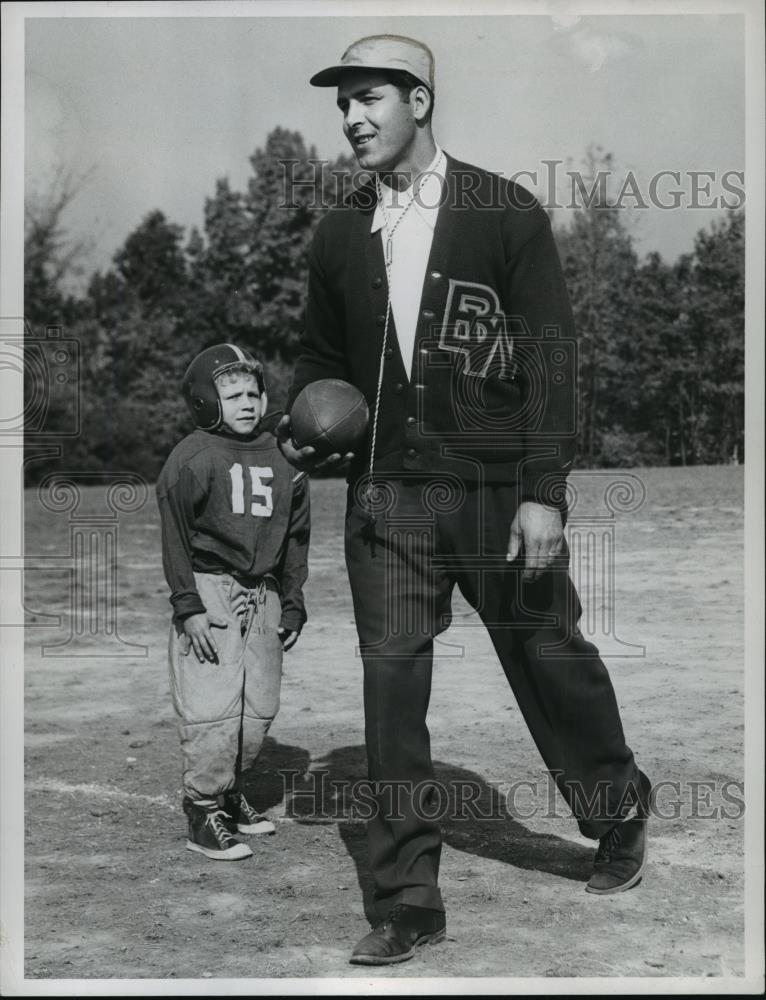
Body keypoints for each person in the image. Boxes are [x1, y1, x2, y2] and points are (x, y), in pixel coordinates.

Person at [278, 34, 651, 964]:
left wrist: (543, 491)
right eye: (342, 104)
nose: (352, 119)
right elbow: (323, 359)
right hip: (387, 501)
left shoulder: (502, 211)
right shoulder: (336, 233)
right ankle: (408, 899)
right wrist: (307, 415)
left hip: (494, 491)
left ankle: (616, 805)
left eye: (369, 99)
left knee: (548, 655)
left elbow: (549, 358)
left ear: (420, 100)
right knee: (391, 692)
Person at [157, 343, 310, 861]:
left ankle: (228, 790)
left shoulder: (283, 458)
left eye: (253, 392)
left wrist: (293, 600)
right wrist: (188, 605)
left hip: (264, 591)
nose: (247, 403)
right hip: (211, 589)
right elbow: (175, 537)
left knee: (258, 707)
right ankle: (202, 809)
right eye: (232, 394)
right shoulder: (193, 456)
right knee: (211, 707)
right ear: (206, 401)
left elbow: (296, 536)